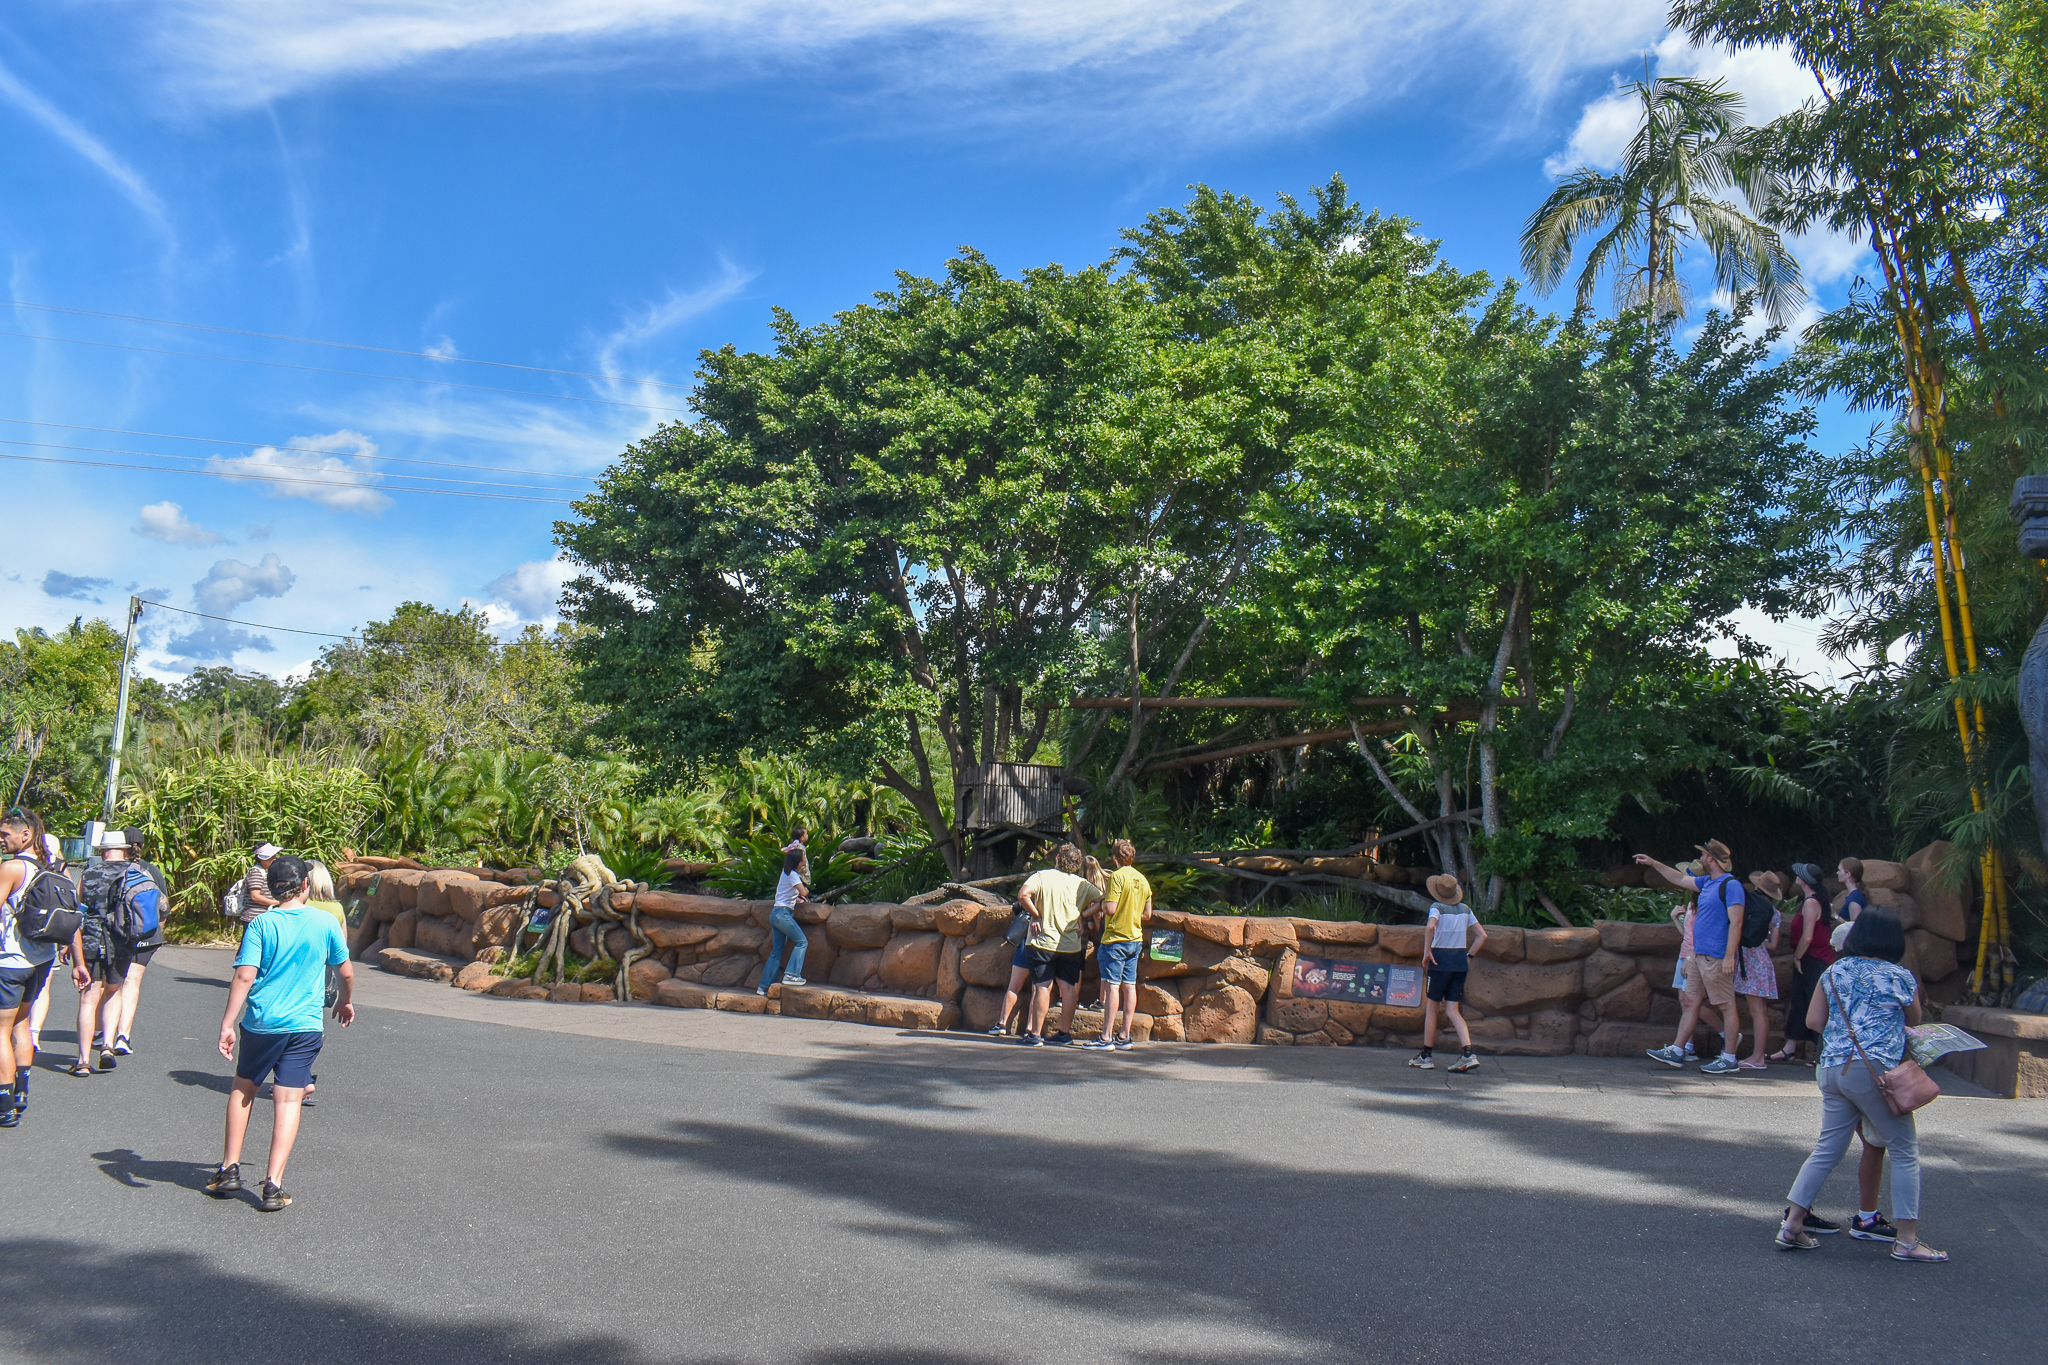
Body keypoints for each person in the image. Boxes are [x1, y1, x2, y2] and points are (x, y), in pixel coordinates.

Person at [1777, 908, 1946, 1262]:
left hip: (1832, 1068)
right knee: (1904, 1149)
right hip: (1875, 1071)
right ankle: (1907, 1240)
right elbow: (1914, 1019)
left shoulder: (1834, 970)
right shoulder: (1899, 976)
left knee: (1827, 1149)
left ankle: (1792, 1225)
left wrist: (1846, 1032)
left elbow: (1814, 1021)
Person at [208, 854, 354, 1212]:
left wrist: (228, 1023)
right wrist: (345, 1001)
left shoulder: (261, 924)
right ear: (305, 885)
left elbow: (245, 975)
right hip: (305, 1024)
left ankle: (229, 1169)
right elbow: (345, 971)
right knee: (288, 1101)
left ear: (272, 889)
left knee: (244, 1088)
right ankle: (273, 1185)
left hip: (263, 1022)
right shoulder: (325, 922)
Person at [0, 808, 88, 1127]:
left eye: (5, 834)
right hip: (41, 961)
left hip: (10, 962)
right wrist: (79, 963)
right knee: (21, 1025)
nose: (0, 840)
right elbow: (72, 922)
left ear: (25, 835)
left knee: (1, 1031)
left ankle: (4, 1105)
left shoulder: (11, 868)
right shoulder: (54, 872)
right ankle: (21, 1093)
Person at [1637, 839, 1747, 1074]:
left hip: (1717, 956)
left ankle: (1729, 1058)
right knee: (1690, 1001)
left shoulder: (1731, 886)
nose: (1700, 859)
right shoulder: (1707, 882)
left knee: (1726, 1005)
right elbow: (1679, 878)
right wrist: (1654, 863)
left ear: (1710, 859)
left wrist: (1729, 956)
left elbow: (1737, 922)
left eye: (1703, 855)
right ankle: (1678, 1050)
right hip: (1698, 955)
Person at [1011, 844, 1103, 1046]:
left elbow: (1023, 895)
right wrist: (1083, 915)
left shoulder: (1042, 876)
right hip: (1071, 945)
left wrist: (1036, 915)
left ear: (1058, 858)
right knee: (1068, 988)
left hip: (1043, 942)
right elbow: (1103, 899)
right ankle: (1064, 1034)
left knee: (1042, 987)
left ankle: (1035, 1035)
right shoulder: (1081, 884)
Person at [68, 829, 138, 1075]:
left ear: (101, 850)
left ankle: (83, 1060)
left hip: (91, 940)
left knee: (89, 998)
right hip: (122, 941)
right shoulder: (136, 873)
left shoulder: (89, 874)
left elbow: (76, 911)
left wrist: (68, 943)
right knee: (113, 992)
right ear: (125, 850)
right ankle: (107, 1045)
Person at [1410, 873, 1489, 1072]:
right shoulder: (1465, 909)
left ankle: (1426, 1055)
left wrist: (1427, 951)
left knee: (1432, 1007)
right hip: (1459, 962)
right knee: (1453, 1010)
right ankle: (1468, 1053)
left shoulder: (1436, 908)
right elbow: (1482, 935)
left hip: (1440, 961)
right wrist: (1469, 956)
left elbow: (1430, 927)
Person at [106, 826, 169, 1057]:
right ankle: (123, 1036)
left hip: (119, 935)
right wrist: (156, 934)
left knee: (113, 984)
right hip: (148, 936)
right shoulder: (152, 871)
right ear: (142, 846)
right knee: (133, 982)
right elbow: (164, 907)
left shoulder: (113, 870)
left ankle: (105, 1032)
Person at [1083, 840, 1150, 1051]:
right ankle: (1124, 1036)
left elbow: (1110, 909)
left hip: (1115, 939)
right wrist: (1131, 913)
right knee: (1129, 987)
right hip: (1134, 939)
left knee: (1112, 986)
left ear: (1115, 858)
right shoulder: (1142, 879)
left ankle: (1106, 1037)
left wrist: (1102, 903)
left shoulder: (1117, 877)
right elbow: (1147, 914)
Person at [1769, 864, 1835, 1066]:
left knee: (1816, 1004)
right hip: (1810, 959)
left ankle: (1822, 1053)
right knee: (1799, 1002)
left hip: (1814, 959)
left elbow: (1807, 937)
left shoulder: (1812, 903)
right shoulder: (1814, 900)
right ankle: (1789, 1048)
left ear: (1805, 881)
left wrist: (1797, 957)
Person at [1735, 871, 1785, 1070]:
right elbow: (1772, 945)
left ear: (1757, 886)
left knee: (1757, 1013)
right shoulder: (1774, 912)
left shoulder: (1746, 906)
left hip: (1748, 962)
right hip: (1763, 961)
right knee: (1761, 1011)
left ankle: (1758, 1058)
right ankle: (1758, 1056)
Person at [756, 849, 809, 995]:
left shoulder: (785, 873)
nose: (805, 861)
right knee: (802, 942)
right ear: (799, 862)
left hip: (776, 913)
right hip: (783, 914)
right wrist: (805, 891)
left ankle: (764, 987)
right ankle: (792, 974)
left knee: (776, 952)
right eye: (804, 858)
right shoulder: (793, 875)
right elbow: (804, 892)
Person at [1829, 857, 1869, 953]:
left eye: (1839, 870)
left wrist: (1835, 915)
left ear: (1848, 874)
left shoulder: (1855, 897)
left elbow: (1853, 927)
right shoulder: (1855, 894)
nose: (1837, 873)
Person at [240, 842, 281, 924]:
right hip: (254, 917)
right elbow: (255, 896)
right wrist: (277, 903)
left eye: (274, 856)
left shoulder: (267, 871)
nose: (274, 859)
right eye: (271, 857)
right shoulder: (256, 872)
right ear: (262, 859)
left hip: (265, 916)